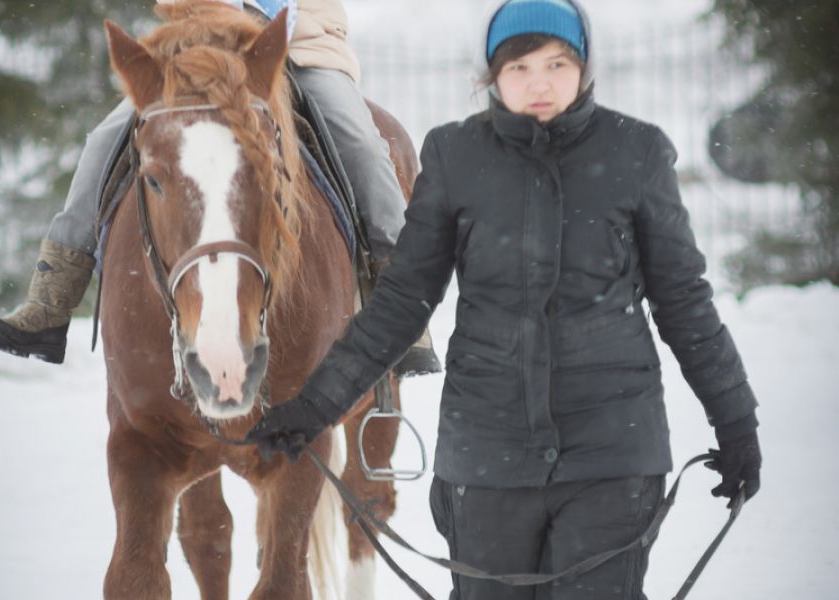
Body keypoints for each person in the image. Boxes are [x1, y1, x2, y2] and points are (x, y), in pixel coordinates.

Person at [245, 0, 763, 598]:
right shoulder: (455, 157)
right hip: (486, 459)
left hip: (612, 458)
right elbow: (399, 305)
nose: (538, 83)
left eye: (557, 64)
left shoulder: (636, 155)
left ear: (584, 67)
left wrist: (737, 424)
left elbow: (685, 305)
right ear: (492, 74)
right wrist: (315, 408)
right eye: (518, 68)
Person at [0, 0, 440, 375]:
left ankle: (401, 302)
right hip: (200, 49)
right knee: (102, 141)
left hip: (302, 47)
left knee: (363, 144)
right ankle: (50, 302)